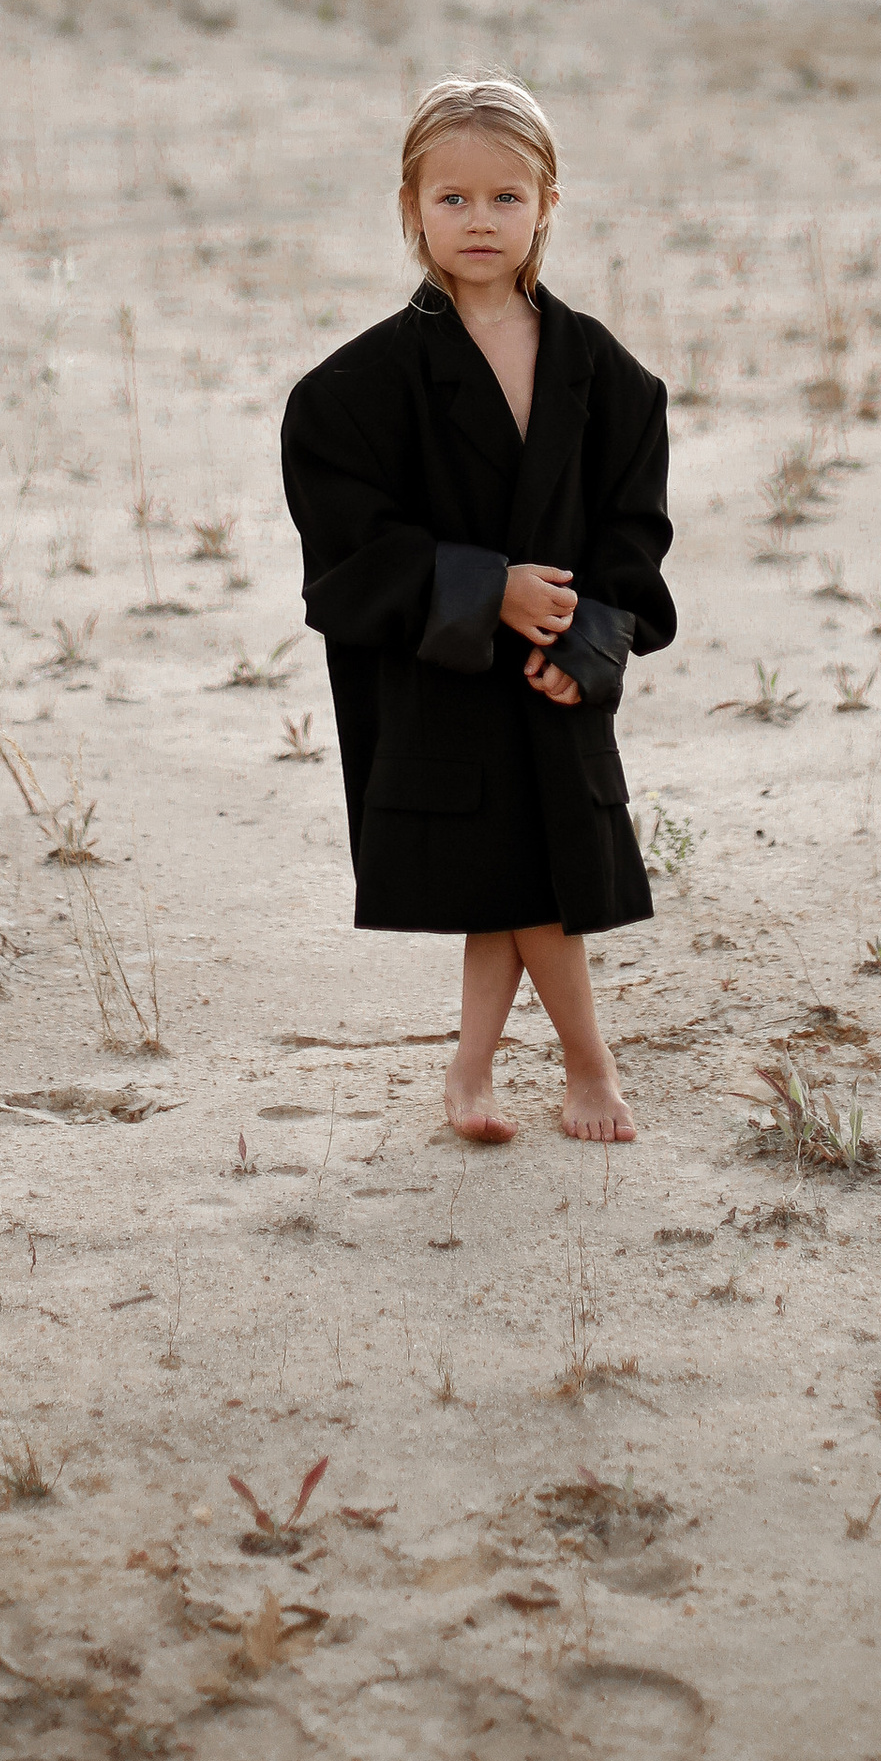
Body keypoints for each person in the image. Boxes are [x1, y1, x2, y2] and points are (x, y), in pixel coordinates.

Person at [279, 77, 675, 1142]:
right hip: (441, 671)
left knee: (525, 872)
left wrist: (592, 637)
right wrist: (481, 588)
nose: (479, 220)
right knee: (524, 873)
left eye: (506, 197)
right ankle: (587, 1070)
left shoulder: (610, 377)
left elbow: (632, 533)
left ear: (550, 202)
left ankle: (474, 1073)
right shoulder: (352, 390)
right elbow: (343, 550)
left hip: (552, 668)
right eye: (450, 198)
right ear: (409, 207)